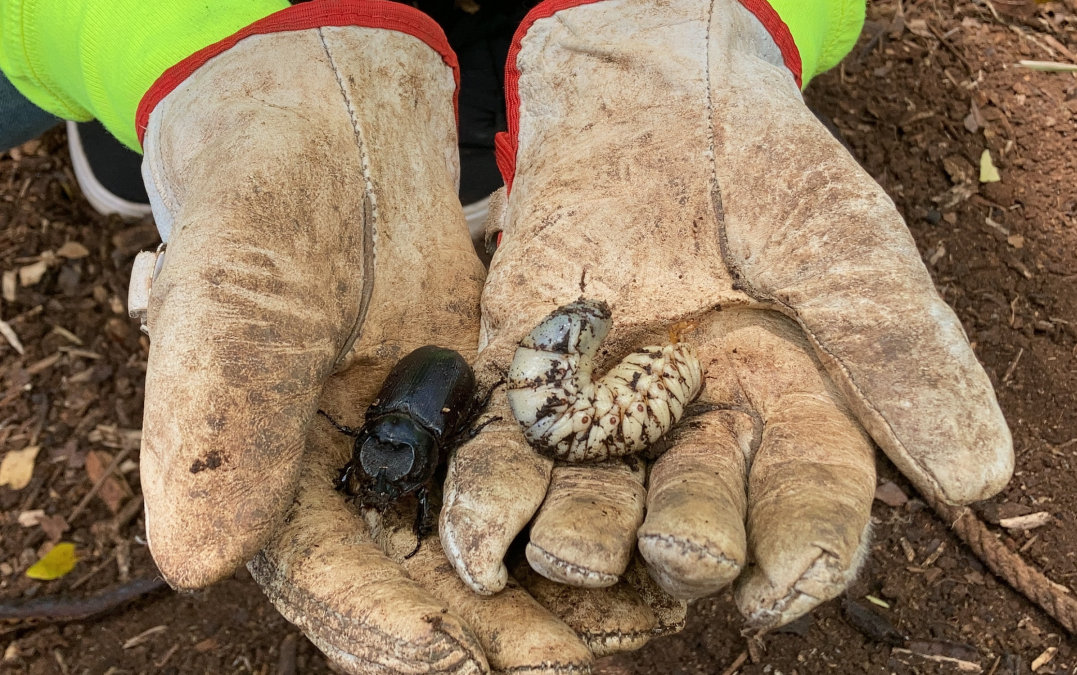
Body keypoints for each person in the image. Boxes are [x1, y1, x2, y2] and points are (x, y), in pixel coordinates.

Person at [0, 0, 1014, 672]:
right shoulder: (554, 394)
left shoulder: (569, 388)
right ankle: (178, 95)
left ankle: (479, 86)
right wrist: (205, 42)